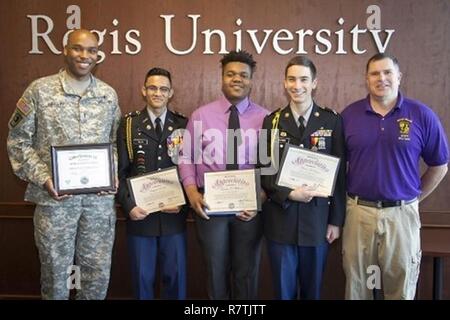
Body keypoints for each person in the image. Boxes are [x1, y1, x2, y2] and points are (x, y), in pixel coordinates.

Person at [7, 29, 122, 299]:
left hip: (98, 204)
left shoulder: (108, 95)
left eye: (91, 50)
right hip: (55, 204)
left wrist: (112, 171)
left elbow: (114, 143)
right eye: (78, 48)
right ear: (65, 50)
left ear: (98, 55)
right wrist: (45, 178)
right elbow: (18, 141)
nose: (85, 55)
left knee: (95, 276)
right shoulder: (39, 90)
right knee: (56, 275)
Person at [342, 53, 449, 300]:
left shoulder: (421, 115)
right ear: (366, 79)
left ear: (399, 77)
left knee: (400, 288)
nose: (381, 78)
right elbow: (335, 165)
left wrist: (414, 198)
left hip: (402, 217)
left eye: (387, 72)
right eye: (374, 73)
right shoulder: (349, 116)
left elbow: (440, 165)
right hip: (359, 215)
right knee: (358, 289)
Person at [179, 50, 268, 299]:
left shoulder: (267, 118)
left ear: (251, 80)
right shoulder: (200, 115)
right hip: (210, 206)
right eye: (230, 74)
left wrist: (260, 197)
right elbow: (186, 157)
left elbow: (271, 166)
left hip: (249, 208)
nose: (236, 79)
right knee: (215, 271)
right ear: (222, 78)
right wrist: (191, 192)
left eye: (243, 75)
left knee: (246, 272)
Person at [260, 56, 346, 299]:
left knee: (312, 291)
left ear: (314, 83)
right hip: (281, 221)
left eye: (303, 79)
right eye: (291, 79)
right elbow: (264, 171)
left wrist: (336, 221)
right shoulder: (272, 121)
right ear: (285, 83)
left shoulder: (332, 120)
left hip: (317, 222)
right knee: (283, 292)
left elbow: (340, 176)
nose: (297, 85)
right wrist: (290, 193)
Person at [116, 67, 188, 299]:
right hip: (141, 217)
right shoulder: (128, 125)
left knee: (175, 281)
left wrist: (183, 203)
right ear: (143, 90)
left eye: (163, 89)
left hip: (173, 217)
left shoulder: (183, 126)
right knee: (141, 281)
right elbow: (121, 171)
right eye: (153, 88)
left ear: (171, 93)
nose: (158, 93)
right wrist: (129, 207)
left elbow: (191, 171)